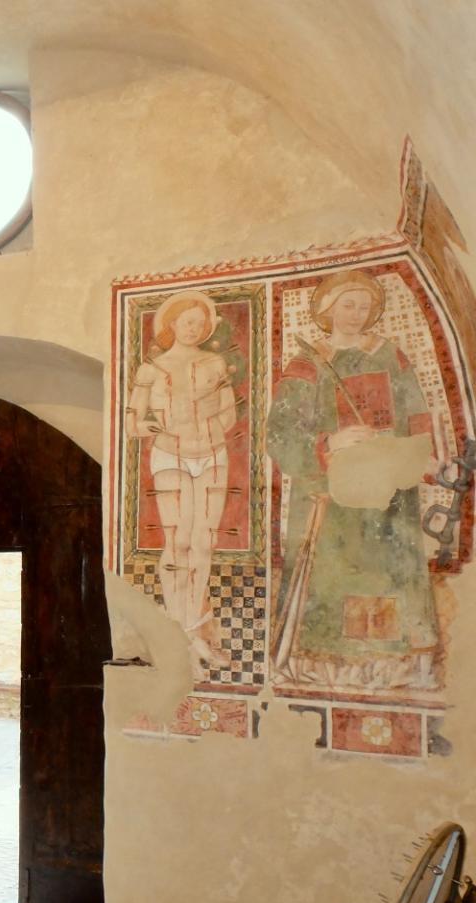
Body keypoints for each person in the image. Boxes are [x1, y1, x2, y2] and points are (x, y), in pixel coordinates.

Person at [267, 269, 440, 690]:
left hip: (387, 491)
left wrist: (421, 454)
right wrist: (332, 440)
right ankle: (331, 666)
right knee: (336, 576)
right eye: (348, 304)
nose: (357, 314)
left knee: (387, 572)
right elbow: (280, 433)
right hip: (330, 496)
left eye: (364, 306)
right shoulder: (307, 363)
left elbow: (417, 414)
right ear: (327, 309)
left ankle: (391, 665)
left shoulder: (390, 355)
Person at [125, 289, 239, 673]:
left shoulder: (215, 363)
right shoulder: (151, 370)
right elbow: (132, 422)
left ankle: (194, 631)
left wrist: (207, 430)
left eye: (200, 322)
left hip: (210, 455)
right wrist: (156, 426)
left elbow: (229, 415)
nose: (194, 328)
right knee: (178, 543)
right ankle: (182, 636)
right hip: (170, 456)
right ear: (172, 324)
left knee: (203, 542)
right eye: (186, 321)